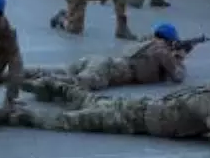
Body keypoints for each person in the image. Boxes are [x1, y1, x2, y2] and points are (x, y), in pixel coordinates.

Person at [12, 82, 210, 150]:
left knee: (87, 99)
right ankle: (17, 115)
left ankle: (45, 83)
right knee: (69, 121)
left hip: (137, 106)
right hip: (132, 120)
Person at [23, 22, 190, 100]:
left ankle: (20, 73)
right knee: (79, 82)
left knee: (62, 70)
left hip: (101, 61)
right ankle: (41, 83)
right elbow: (178, 76)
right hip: (109, 70)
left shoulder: (147, 42)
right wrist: (179, 57)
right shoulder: (162, 51)